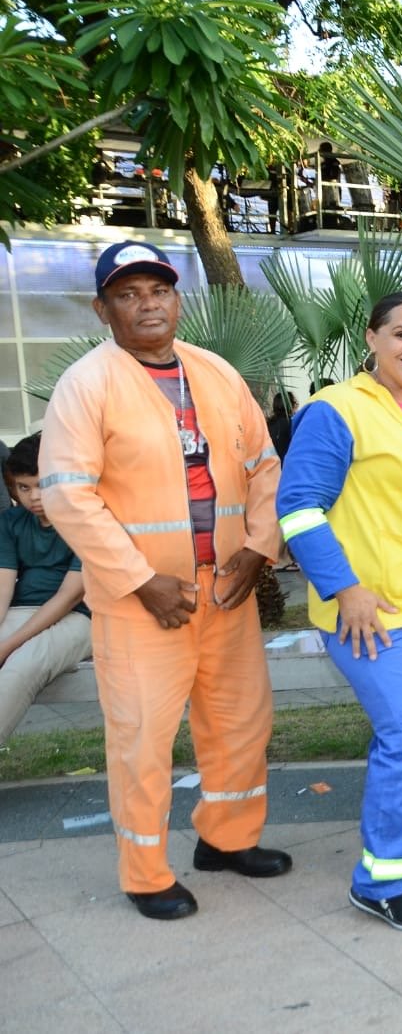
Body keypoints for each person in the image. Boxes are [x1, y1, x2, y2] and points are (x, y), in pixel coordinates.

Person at [41, 240, 289, 921]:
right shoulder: (88, 384)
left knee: (241, 723)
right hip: (142, 604)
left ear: (177, 300)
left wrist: (258, 549)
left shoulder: (215, 372)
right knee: (143, 740)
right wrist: (140, 579)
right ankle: (146, 873)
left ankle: (228, 839)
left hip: (226, 590)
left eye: (158, 291)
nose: (147, 305)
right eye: (128, 294)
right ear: (103, 309)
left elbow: (265, 468)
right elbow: (67, 496)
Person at [278, 292, 402, 931]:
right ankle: (381, 881)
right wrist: (345, 589)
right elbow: (299, 508)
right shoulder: (336, 410)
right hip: (371, 611)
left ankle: (401, 856)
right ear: (372, 337)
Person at [0, 433, 93, 745]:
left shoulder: (85, 520)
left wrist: (6, 646)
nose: (34, 497)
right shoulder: (10, 521)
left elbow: (69, 596)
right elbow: (3, 588)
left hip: (77, 618)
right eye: (24, 487)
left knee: (22, 666)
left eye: (42, 485)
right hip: (22, 611)